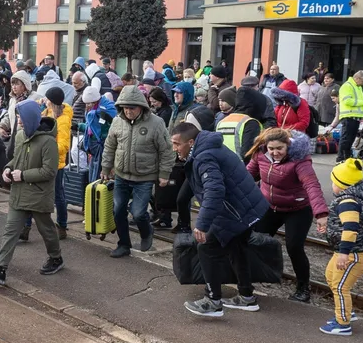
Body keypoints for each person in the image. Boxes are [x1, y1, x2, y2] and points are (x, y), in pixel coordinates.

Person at [173, 122, 269, 318]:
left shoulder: (203, 156)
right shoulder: (208, 147)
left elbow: (214, 191)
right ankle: (246, 296)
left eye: (176, 144)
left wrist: (202, 224)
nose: (174, 148)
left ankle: (213, 301)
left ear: (190, 142)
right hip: (246, 207)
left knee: (206, 247)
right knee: (236, 248)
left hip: (235, 211)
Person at [0, 98, 64, 285]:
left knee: (46, 230)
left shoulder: (48, 142)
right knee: (10, 231)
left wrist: (23, 175)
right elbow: (16, 159)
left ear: (31, 118)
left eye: (21, 118)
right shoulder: (20, 136)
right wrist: (8, 168)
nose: (18, 121)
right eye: (18, 117)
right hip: (20, 193)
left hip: (38, 194)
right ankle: (0, 269)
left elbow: (50, 171)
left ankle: (56, 257)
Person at [245, 128, 328, 302]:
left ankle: (303, 288)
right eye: (271, 148)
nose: (275, 153)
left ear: (288, 145)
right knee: (256, 240)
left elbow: (311, 185)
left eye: (279, 148)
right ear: (265, 146)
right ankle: (254, 277)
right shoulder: (260, 155)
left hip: (297, 209)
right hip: (270, 207)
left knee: (294, 247)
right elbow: (246, 177)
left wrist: (320, 213)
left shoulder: (300, 160)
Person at [101, 85, 172, 257]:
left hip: (144, 177)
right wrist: (106, 167)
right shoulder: (117, 122)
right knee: (118, 210)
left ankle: (147, 232)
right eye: (125, 107)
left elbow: (166, 150)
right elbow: (110, 146)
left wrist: (164, 174)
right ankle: (123, 244)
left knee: (139, 213)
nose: (128, 111)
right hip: (121, 175)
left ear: (141, 107)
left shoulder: (156, 123)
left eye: (132, 108)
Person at [320, 158, 363, 336]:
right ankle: (346, 311)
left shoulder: (348, 202)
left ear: (342, 184)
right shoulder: (350, 199)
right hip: (348, 251)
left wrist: (344, 253)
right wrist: (328, 228)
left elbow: (351, 228)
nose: (332, 185)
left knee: (340, 286)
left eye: (333, 182)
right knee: (331, 277)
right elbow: (343, 223)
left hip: (355, 253)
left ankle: (342, 323)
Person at [43, 86, 73, 240]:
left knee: (58, 195)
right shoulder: (48, 112)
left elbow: (64, 145)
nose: (45, 101)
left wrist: (47, 148)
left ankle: (62, 225)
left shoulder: (63, 120)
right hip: (45, 160)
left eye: (47, 99)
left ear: (52, 101)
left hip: (57, 163)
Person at [216, 87, 264, 158]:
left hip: (222, 163)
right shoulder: (250, 123)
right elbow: (248, 153)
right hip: (241, 164)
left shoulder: (221, 122)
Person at [336, 71, 363, 161]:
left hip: (354, 116)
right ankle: (341, 158)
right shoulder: (347, 86)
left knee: (350, 140)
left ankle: (346, 157)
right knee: (346, 139)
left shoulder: (357, 87)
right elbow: (348, 101)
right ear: (357, 78)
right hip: (349, 116)